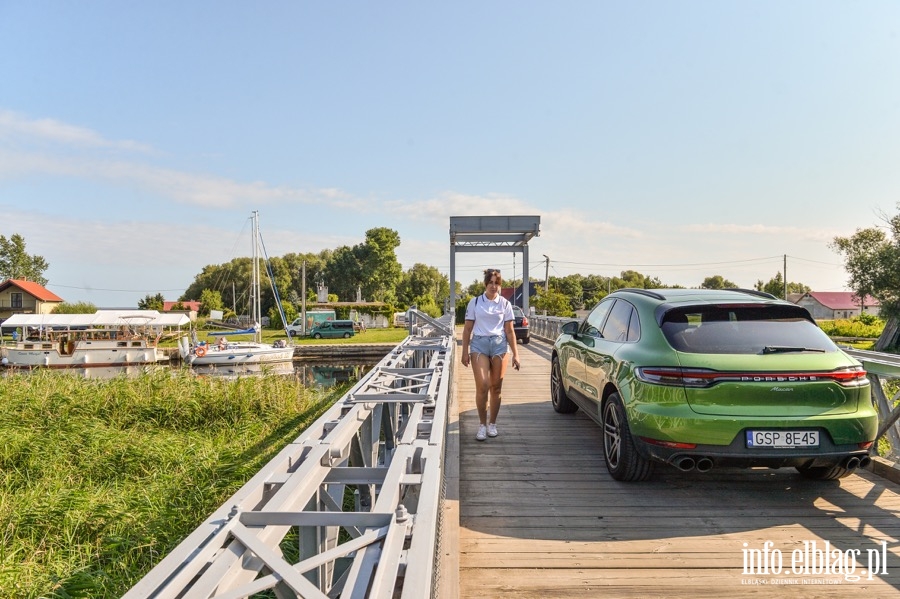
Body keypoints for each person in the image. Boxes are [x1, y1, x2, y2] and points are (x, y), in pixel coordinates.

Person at [461, 268, 521, 441]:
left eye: (497, 283)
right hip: (479, 344)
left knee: (496, 387)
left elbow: (510, 331)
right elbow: (466, 330)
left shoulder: (505, 304)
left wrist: (516, 354)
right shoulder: (475, 302)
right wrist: (464, 351)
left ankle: (492, 424)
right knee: (483, 385)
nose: (494, 286)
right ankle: (481, 425)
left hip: (499, 345)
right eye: (491, 283)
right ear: (485, 284)